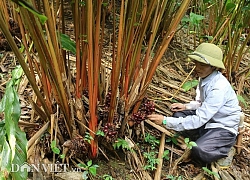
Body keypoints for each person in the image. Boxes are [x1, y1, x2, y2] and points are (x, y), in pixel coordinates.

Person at [147, 43, 242, 165]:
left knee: (199, 150)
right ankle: (205, 138)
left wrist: (165, 121)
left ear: (213, 67)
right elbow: (203, 104)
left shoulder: (218, 88)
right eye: (196, 63)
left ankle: (225, 148)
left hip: (222, 126)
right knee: (178, 115)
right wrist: (186, 106)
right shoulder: (205, 77)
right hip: (208, 119)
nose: (197, 67)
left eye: (202, 65)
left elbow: (200, 118)